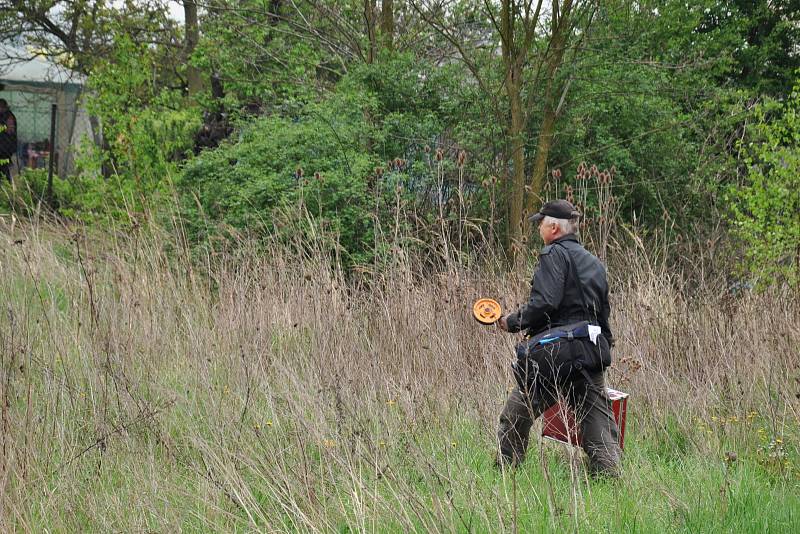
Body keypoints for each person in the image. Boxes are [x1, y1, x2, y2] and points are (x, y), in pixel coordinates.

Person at [496, 199, 621, 477]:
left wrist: (513, 322)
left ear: (554, 227)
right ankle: (610, 479)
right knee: (597, 423)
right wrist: (604, 348)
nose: (538, 227)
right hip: (590, 351)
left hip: (557, 355)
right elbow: (603, 315)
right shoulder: (595, 264)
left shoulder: (553, 254)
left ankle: (506, 475)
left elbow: (545, 302)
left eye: (541, 223)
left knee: (516, 414)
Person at [0, 99, 18, 182]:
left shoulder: (8, 116)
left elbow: (10, 131)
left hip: (5, 149)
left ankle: (7, 187)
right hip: (4, 148)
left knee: (4, 170)